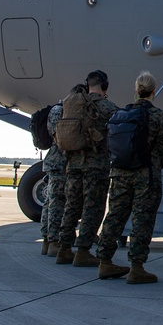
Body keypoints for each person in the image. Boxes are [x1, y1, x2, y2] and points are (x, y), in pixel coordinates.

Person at [96, 70, 163, 283]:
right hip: (145, 175)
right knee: (142, 219)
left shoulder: (120, 114)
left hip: (120, 173)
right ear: (153, 91)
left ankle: (104, 261)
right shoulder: (159, 117)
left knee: (115, 216)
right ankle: (137, 267)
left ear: (136, 90)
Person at [55, 71, 117, 266]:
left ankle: (63, 249)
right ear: (105, 85)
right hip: (95, 167)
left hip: (73, 164)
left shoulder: (72, 104)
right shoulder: (108, 107)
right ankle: (83, 251)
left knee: (72, 206)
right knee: (94, 207)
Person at [41, 86, 83, 257]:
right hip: (62, 163)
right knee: (59, 203)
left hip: (54, 162)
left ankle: (46, 240)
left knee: (50, 203)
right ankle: (54, 242)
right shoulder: (64, 111)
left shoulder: (55, 110)